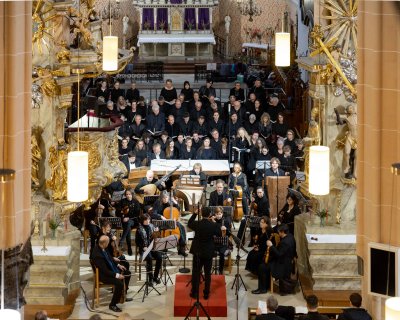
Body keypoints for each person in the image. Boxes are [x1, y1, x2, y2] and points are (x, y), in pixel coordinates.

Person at [91, 235, 132, 312]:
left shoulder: (103, 247)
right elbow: (105, 271)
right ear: (105, 243)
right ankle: (112, 304)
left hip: (110, 270)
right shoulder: (97, 254)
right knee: (119, 283)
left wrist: (118, 265)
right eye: (108, 242)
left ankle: (123, 295)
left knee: (127, 273)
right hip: (104, 275)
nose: (109, 244)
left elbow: (110, 258)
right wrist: (117, 275)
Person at [252, 224, 296, 295]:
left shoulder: (285, 242)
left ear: (283, 232)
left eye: (279, 232)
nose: (278, 233)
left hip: (282, 266)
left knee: (261, 267)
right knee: (264, 264)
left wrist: (271, 245)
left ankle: (262, 289)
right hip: (286, 262)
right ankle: (266, 285)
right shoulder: (291, 236)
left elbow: (279, 254)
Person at [188, 207, 221, 300]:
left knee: (196, 272)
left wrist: (194, 214)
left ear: (201, 214)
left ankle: (194, 292)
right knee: (207, 273)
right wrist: (215, 222)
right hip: (208, 252)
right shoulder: (213, 225)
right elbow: (219, 233)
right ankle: (206, 293)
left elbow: (189, 223)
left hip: (198, 251)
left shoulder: (197, 223)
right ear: (210, 214)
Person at [150, 191, 188, 256]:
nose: (165, 199)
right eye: (164, 198)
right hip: (161, 221)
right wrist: (161, 216)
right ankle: (163, 249)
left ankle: (181, 248)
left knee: (181, 227)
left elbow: (178, 210)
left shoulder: (170, 202)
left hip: (171, 221)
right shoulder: (157, 203)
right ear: (161, 198)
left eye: (167, 198)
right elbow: (153, 214)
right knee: (160, 230)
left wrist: (175, 203)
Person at [98, 219, 131, 291]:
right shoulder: (101, 237)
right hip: (108, 260)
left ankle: (123, 287)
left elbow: (112, 249)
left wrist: (114, 240)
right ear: (103, 227)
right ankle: (121, 287)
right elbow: (105, 252)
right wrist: (113, 258)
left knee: (125, 262)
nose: (109, 229)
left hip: (111, 256)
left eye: (110, 227)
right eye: (107, 227)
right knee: (125, 264)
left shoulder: (108, 234)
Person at [135, 213, 162, 286]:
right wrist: (143, 247)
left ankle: (155, 277)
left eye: (149, 219)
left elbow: (156, 237)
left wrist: (157, 233)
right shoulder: (139, 229)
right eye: (146, 220)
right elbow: (137, 242)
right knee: (149, 258)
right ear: (142, 220)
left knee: (159, 257)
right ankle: (150, 278)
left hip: (151, 247)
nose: (148, 221)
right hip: (143, 248)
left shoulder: (152, 226)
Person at [118, 189, 140, 255]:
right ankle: (129, 248)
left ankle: (122, 240)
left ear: (132, 194)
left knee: (128, 223)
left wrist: (128, 218)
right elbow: (117, 212)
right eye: (127, 194)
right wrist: (123, 216)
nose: (128, 196)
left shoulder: (136, 202)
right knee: (128, 226)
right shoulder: (122, 201)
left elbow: (137, 214)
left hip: (134, 220)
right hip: (125, 221)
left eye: (129, 194)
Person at [213, 206, 231, 274]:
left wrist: (226, 230)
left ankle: (221, 270)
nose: (218, 216)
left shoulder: (225, 221)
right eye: (217, 214)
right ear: (215, 214)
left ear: (222, 214)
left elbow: (229, 234)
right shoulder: (213, 221)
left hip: (223, 243)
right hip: (214, 242)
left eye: (220, 214)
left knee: (222, 253)